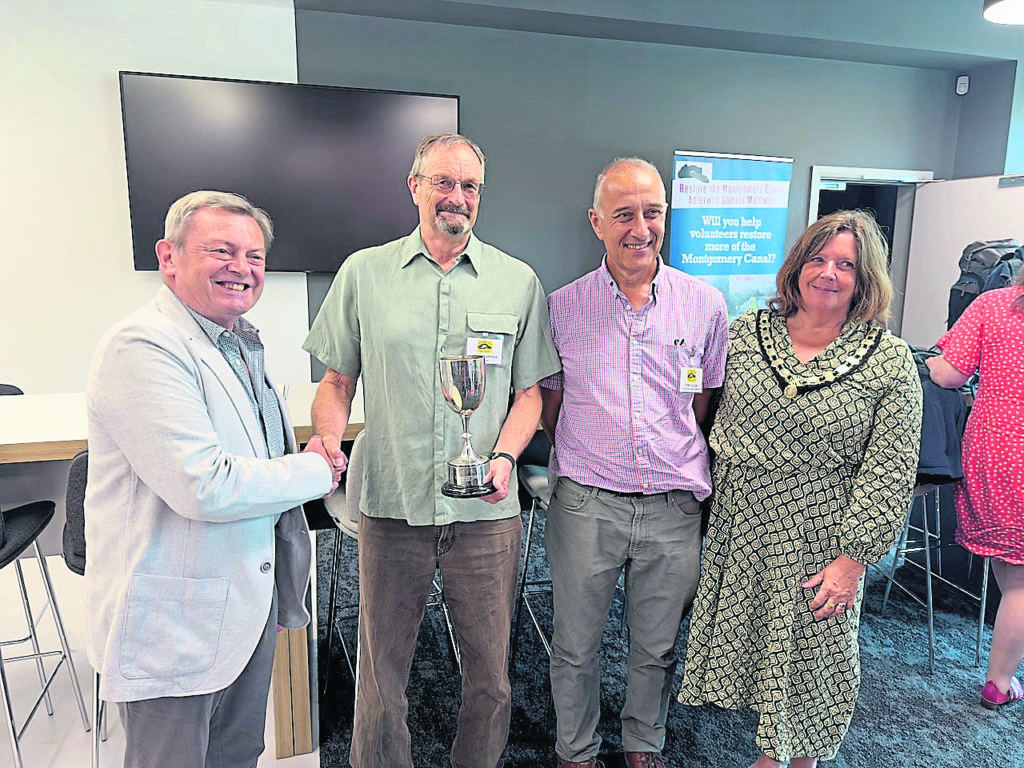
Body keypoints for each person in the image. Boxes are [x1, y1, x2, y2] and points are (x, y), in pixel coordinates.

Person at [303, 133, 560, 768]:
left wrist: (501, 456)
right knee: (382, 673)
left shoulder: (517, 281)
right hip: (392, 505)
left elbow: (529, 394)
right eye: (443, 182)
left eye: (469, 186)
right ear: (414, 187)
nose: (457, 197)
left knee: (491, 678)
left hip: (485, 514)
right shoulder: (364, 274)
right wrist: (327, 440)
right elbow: (337, 383)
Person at [85, 190, 341, 768]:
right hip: (174, 624)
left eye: (254, 256)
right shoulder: (142, 346)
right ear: (168, 257)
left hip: (241, 611)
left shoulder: (239, 344)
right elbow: (205, 484)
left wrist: (281, 600)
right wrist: (316, 468)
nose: (242, 268)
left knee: (236, 754)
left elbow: (257, 464)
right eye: (221, 250)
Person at [678, 210, 923, 768]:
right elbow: (692, 408)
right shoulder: (742, 335)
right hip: (740, 534)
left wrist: (852, 559)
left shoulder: (888, 363)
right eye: (818, 258)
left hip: (821, 545)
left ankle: (791, 762)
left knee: (813, 677)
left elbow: (888, 471)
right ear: (797, 265)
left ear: (866, 280)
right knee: (754, 669)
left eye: (846, 265)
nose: (828, 274)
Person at [540, 157, 729, 768]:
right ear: (597, 222)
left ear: (665, 217)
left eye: (652, 212)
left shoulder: (704, 305)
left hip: (674, 506)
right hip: (587, 502)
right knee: (574, 645)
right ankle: (576, 751)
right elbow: (551, 406)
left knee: (656, 646)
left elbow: (704, 403)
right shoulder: (561, 308)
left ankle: (641, 746)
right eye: (624, 214)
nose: (639, 228)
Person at [926, 271, 1024, 709]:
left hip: (997, 453)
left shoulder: (994, 305)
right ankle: (1000, 680)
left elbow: (947, 375)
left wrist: (926, 360)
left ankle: (999, 679)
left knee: (1016, 578)